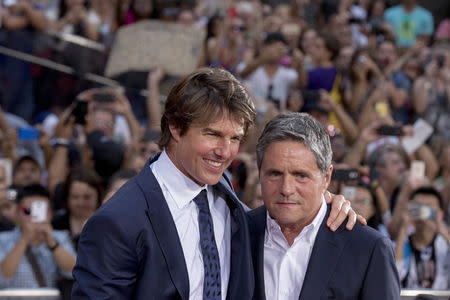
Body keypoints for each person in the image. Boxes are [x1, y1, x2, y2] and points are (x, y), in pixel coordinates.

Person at [72, 68, 360, 299]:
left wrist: (324, 203)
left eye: (234, 138)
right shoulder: (118, 222)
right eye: (212, 134)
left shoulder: (226, 196)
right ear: (175, 126)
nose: (224, 152)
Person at [248, 113, 400, 300]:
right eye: (274, 174)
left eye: (301, 176)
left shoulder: (368, 249)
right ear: (260, 173)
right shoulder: (235, 232)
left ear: (326, 178)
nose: (286, 189)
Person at [0, 184, 76, 289]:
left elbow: (73, 272)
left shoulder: (60, 237)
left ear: (51, 213)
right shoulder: (3, 239)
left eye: (41, 210)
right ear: (17, 212)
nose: (33, 216)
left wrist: (52, 243)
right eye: (28, 211)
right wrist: (24, 239)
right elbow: (3, 277)